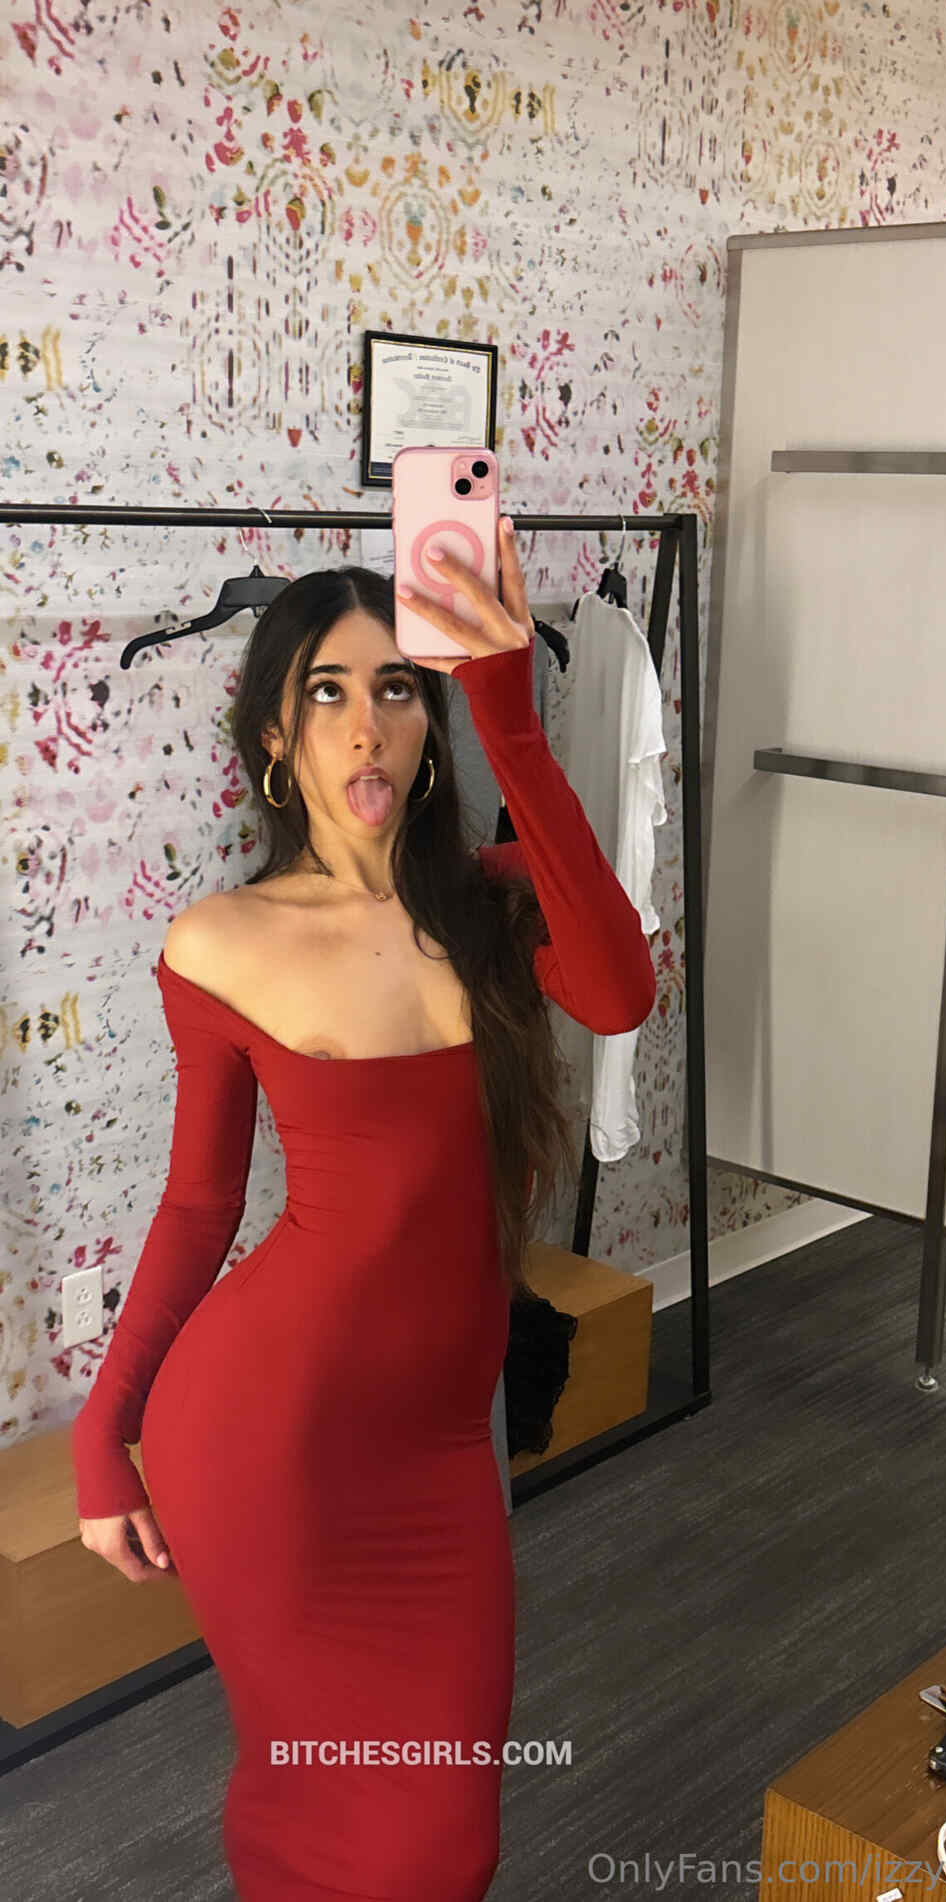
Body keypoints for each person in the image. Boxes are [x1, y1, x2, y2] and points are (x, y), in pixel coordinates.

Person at [71, 519, 657, 1900]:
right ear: (277, 738)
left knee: (445, 1838)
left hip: (444, 1442)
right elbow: (200, 1203)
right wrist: (104, 1434)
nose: (364, 723)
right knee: (314, 1799)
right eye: (325, 690)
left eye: (396, 687)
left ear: (429, 726)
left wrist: (511, 714)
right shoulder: (222, 939)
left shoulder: (495, 903)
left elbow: (619, 993)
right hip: (268, 1438)